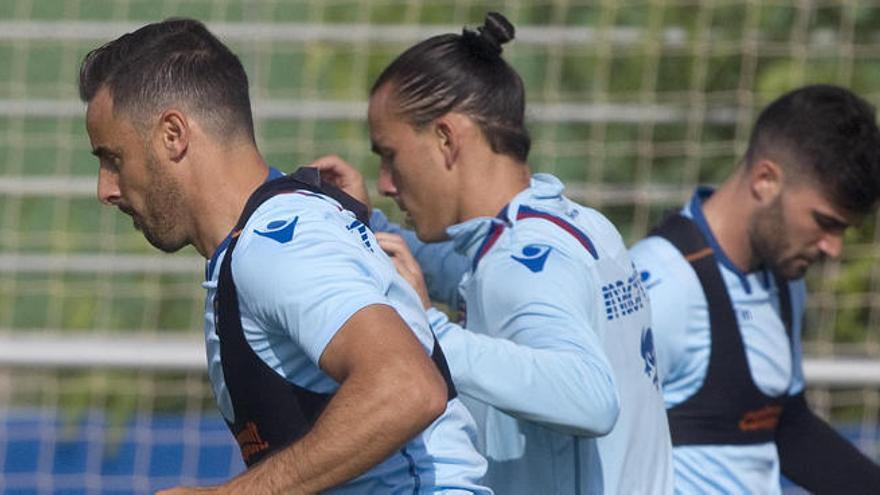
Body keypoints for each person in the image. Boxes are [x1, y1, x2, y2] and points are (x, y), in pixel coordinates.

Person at [78, 18, 490, 494]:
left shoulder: (277, 244)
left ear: (173, 134)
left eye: (113, 158)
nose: (105, 190)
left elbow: (406, 387)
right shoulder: (257, 244)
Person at [313, 12, 673, 494]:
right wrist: (368, 221)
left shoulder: (518, 262)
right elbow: (469, 274)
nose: (385, 183)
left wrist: (430, 330)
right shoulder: (578, 228)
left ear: (445, 139)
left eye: (389, 155)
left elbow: (590, 398)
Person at [629, 84, 880, 494]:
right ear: (766, 179)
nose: (834, 248)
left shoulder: (783, 281)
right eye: (825, 222)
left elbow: (787, 427)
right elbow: (588, 443)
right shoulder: (662, 286)